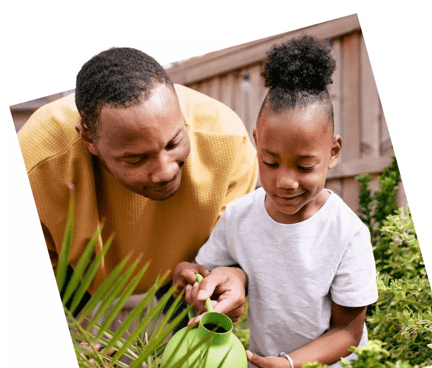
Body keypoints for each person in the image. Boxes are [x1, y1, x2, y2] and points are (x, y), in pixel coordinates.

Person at [173, 35, 379, 368]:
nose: (285, 181)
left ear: (333, 152)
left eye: (304, 166)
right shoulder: (239, 215)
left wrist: (288, 364)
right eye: (270, 162)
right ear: (255, 143)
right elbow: (212, 267)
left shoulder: (347, 234)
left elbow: (348, 331)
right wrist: (192, 275)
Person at [18, 47, 257, 323]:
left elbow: (231, 252)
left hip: (188, 270)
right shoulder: (33, 162)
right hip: (74, 275)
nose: (165, 172)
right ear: (88, 139)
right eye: (136, 158)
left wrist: (232, 274)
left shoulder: (227, 139)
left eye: (174, 143)